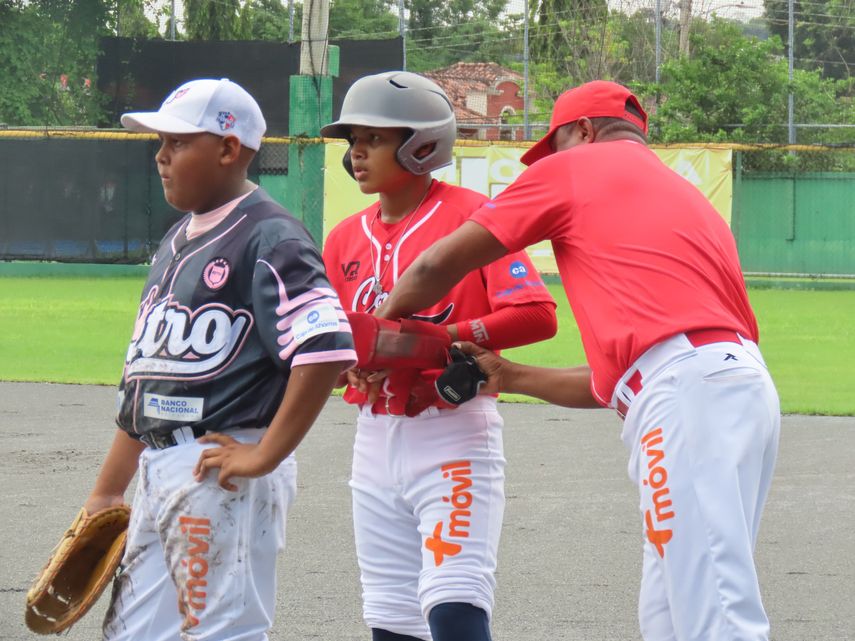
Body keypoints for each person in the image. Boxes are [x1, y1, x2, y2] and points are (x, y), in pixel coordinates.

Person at [375, 80, 781, 641]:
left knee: (715, 613)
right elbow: (618, 380)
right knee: (671, 611)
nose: (550, 159)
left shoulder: (574, 168)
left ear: (585, 131)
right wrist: (513, 375)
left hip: (687, 399)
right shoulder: (681, 194)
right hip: (729, 387)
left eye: (556, 142)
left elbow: (432, 268)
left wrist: (381, 333)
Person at [83, 78, 357, 640]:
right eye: (160, 141)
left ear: (229, 149)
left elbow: (326, 348)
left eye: (178, 143)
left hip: (221, 467)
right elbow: (148, 381)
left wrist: (265, 456)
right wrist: (108, 490)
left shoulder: (271, 237)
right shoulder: (175, 240)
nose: (161, 156)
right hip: (162, 467)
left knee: (217, 633)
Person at [320, 71, 558, 641]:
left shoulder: (475, 217)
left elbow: (538, 315)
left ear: (422, 144)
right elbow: (333, 337)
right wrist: (344, 362)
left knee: (453, 606)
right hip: (373, 438)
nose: (357, 152)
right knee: (390, 618)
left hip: (454, 430)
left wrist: (451, 337)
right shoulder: (343, 238)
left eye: (373, 138)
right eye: (352, 138)